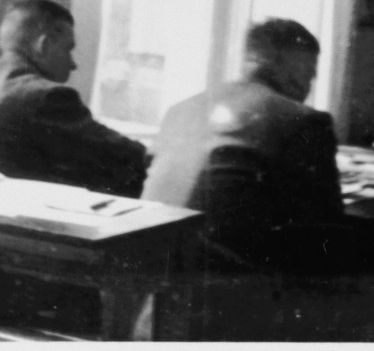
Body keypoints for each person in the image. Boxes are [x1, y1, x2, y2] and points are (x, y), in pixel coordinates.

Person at [143, 17, 348, 274]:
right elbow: (327, 221)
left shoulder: (180, 110)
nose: (310, 82)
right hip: (233, 281)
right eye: (310, 71)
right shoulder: (304, 120)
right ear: (292, 66)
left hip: (154, 269)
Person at [0, 0, 146, 197]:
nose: (73, 64)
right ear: (44, 44)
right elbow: (126, 155)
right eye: (68, 49)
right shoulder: (45, 95)